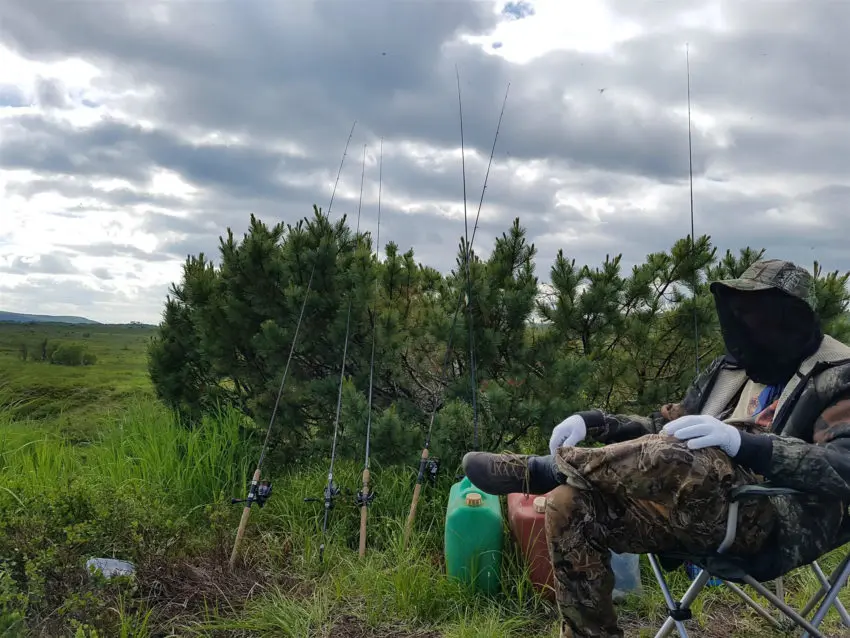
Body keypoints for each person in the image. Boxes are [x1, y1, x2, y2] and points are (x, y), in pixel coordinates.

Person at [463, 259, 850, 638]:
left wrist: (746, 445)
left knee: (676, 454)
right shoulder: (731, 370)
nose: (749, 324)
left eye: (761, 314)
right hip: (694, 507)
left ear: (792, 317)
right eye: (743, 314)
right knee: (570, 503)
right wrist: (597, 421)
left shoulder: (836, 376)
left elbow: (842, 466)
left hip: (775, 520)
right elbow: (666, 427)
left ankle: (546, 470)